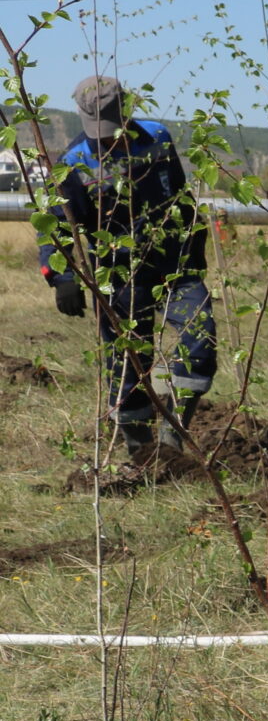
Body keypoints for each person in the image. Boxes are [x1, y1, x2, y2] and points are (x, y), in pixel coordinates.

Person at [37, 76, 216, 464]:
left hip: (176, 266)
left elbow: (181, 196)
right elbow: (57, 226)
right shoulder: (72, 165)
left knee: (201, 339)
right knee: (127, 364)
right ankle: (141, 452)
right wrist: (62, 279)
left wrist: (195, 242)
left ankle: (172, 437)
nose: (105, 139)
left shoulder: (158, 138)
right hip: (118, 276)